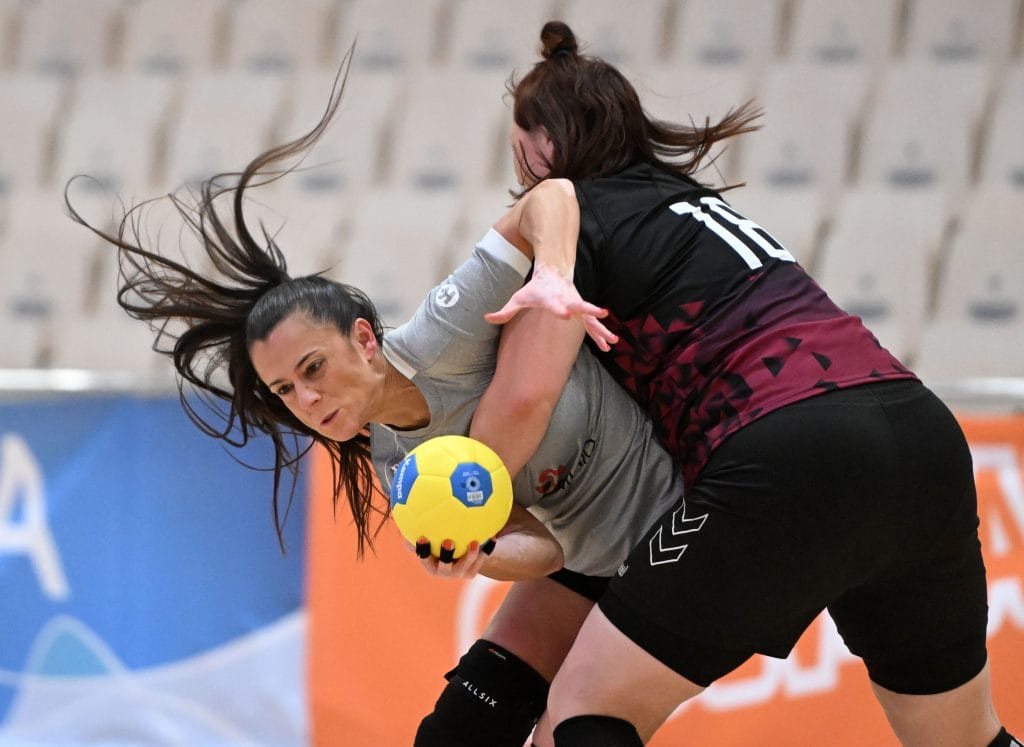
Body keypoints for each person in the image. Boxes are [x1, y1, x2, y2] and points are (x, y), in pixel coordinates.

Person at [65, 53, 683, 747]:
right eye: (285, 390)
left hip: (679, 514)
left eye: (313, 367)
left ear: (364, 338)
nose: (306, 398)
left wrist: (554, 279)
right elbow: (545, 549)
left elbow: (553, 198)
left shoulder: (447, 330)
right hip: (592, 560)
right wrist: (481, 549)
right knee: (452, 735)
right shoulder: (400, 466)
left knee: (577, 730)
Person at [472, 21, 1020, 747]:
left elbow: (525, 397)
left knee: (586, 712)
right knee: (965, 738)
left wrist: (471, 497)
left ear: (543, 143)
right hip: (922, 436)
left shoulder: (571, 223)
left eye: (518, 149)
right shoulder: (695, 203)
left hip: (788, 452)